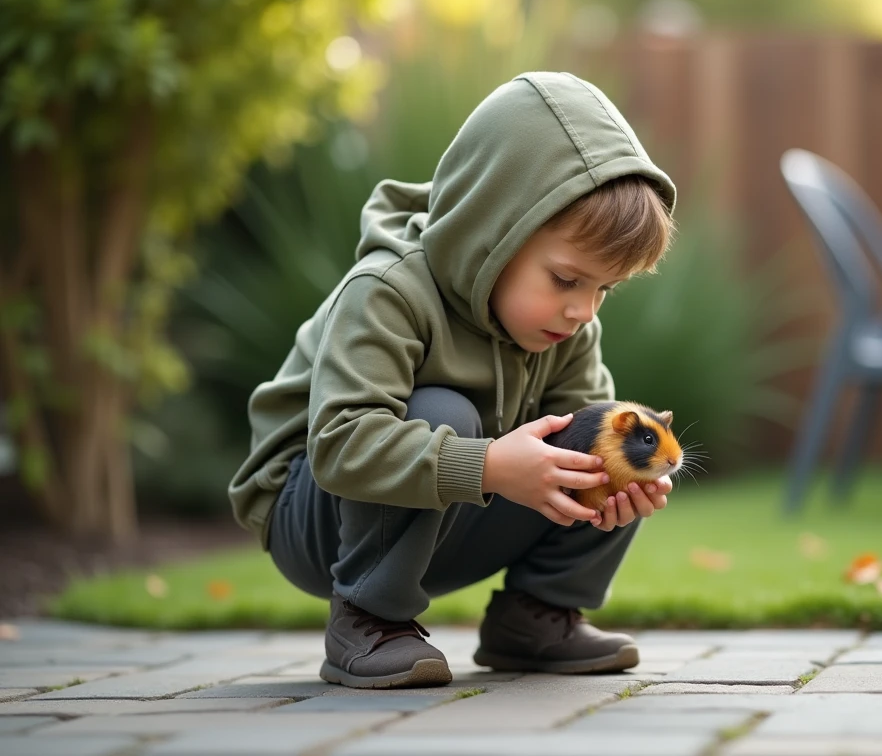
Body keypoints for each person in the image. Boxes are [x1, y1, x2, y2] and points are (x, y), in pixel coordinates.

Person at [226, 71, 678, 688]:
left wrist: (613, 490)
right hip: (317, 520)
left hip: (450, 517)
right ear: (493, 230)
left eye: (605, 288)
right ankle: (365, 618)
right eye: (567, 279)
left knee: (608, 432)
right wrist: (488, 466)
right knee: (441, 409)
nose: (584, 310)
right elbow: (339, 444)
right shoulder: (387, 292)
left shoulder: (568, 330)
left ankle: (536, 615)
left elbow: (580, 447)